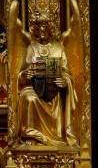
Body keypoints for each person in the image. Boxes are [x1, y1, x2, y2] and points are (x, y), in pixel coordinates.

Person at [17, 17, 77, 145]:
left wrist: (65, 81)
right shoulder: (31, 48)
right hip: (33, 88)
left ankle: (55, 135)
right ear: (36, 30)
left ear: (51, 29)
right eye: (40, 26)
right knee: (28, 98)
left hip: (53, 91)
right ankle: (32, 136)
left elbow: (67, 72)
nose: (43, 29)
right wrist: (25, 75)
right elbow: (21, 73)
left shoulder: (59, 48)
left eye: (45, 26)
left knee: (55, 98)